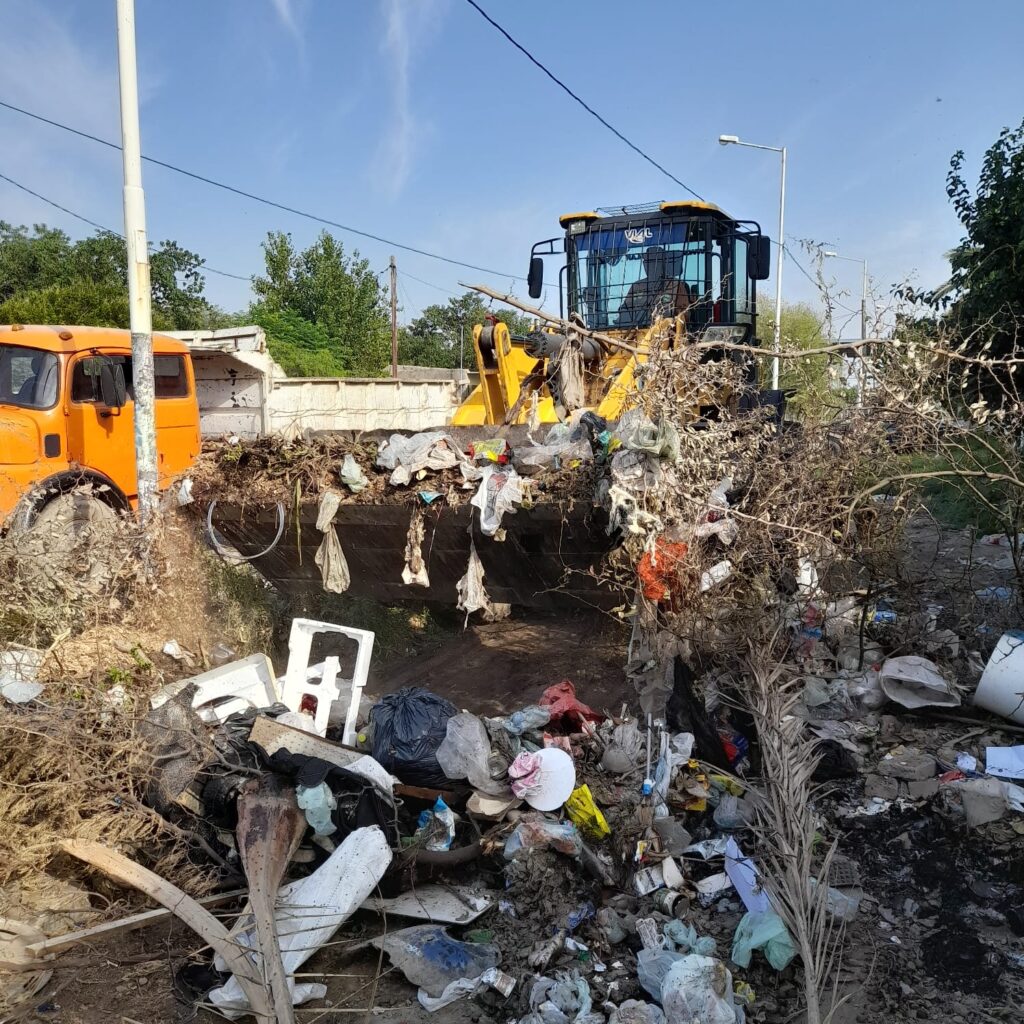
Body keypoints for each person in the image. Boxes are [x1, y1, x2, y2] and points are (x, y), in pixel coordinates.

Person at [617, 246, 690, 327]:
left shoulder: (675, 285)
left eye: (655, 262)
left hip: (667, 335)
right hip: (636, 333)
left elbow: (685, 314)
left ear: (663, 264)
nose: (650, 266)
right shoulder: (636, 286)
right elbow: (624, 312)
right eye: (648, 262)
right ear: (645, 265)